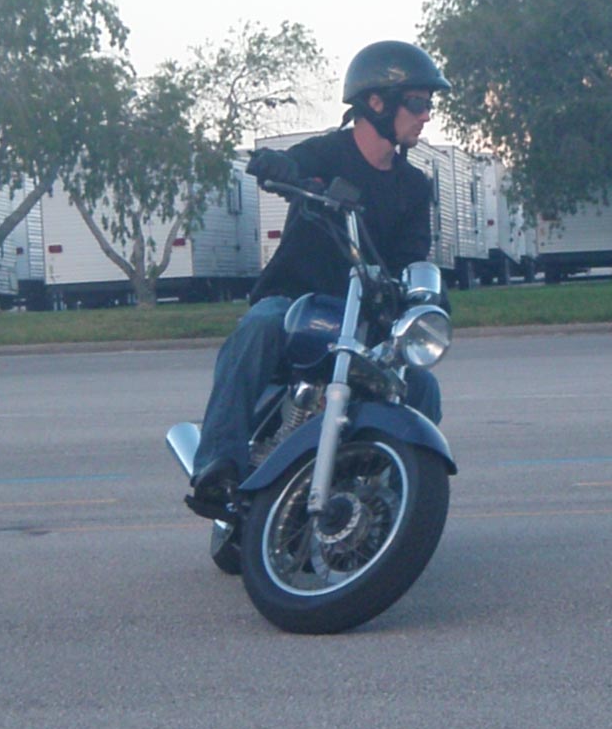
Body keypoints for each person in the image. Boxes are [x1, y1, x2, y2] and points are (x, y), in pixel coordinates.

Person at [187, 40, 451, 514]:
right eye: (417, 102)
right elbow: (291, 164)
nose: (426, 115)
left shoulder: (414, 186)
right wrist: (280, 167)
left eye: (428, 104)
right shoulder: (327, 152)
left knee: (422, 387)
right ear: (377, 102)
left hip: (362, 320)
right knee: (260, 325)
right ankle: (216, 463)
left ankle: (391, 500)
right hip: (297, 302)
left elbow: (412, 256)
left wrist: (425, 297)